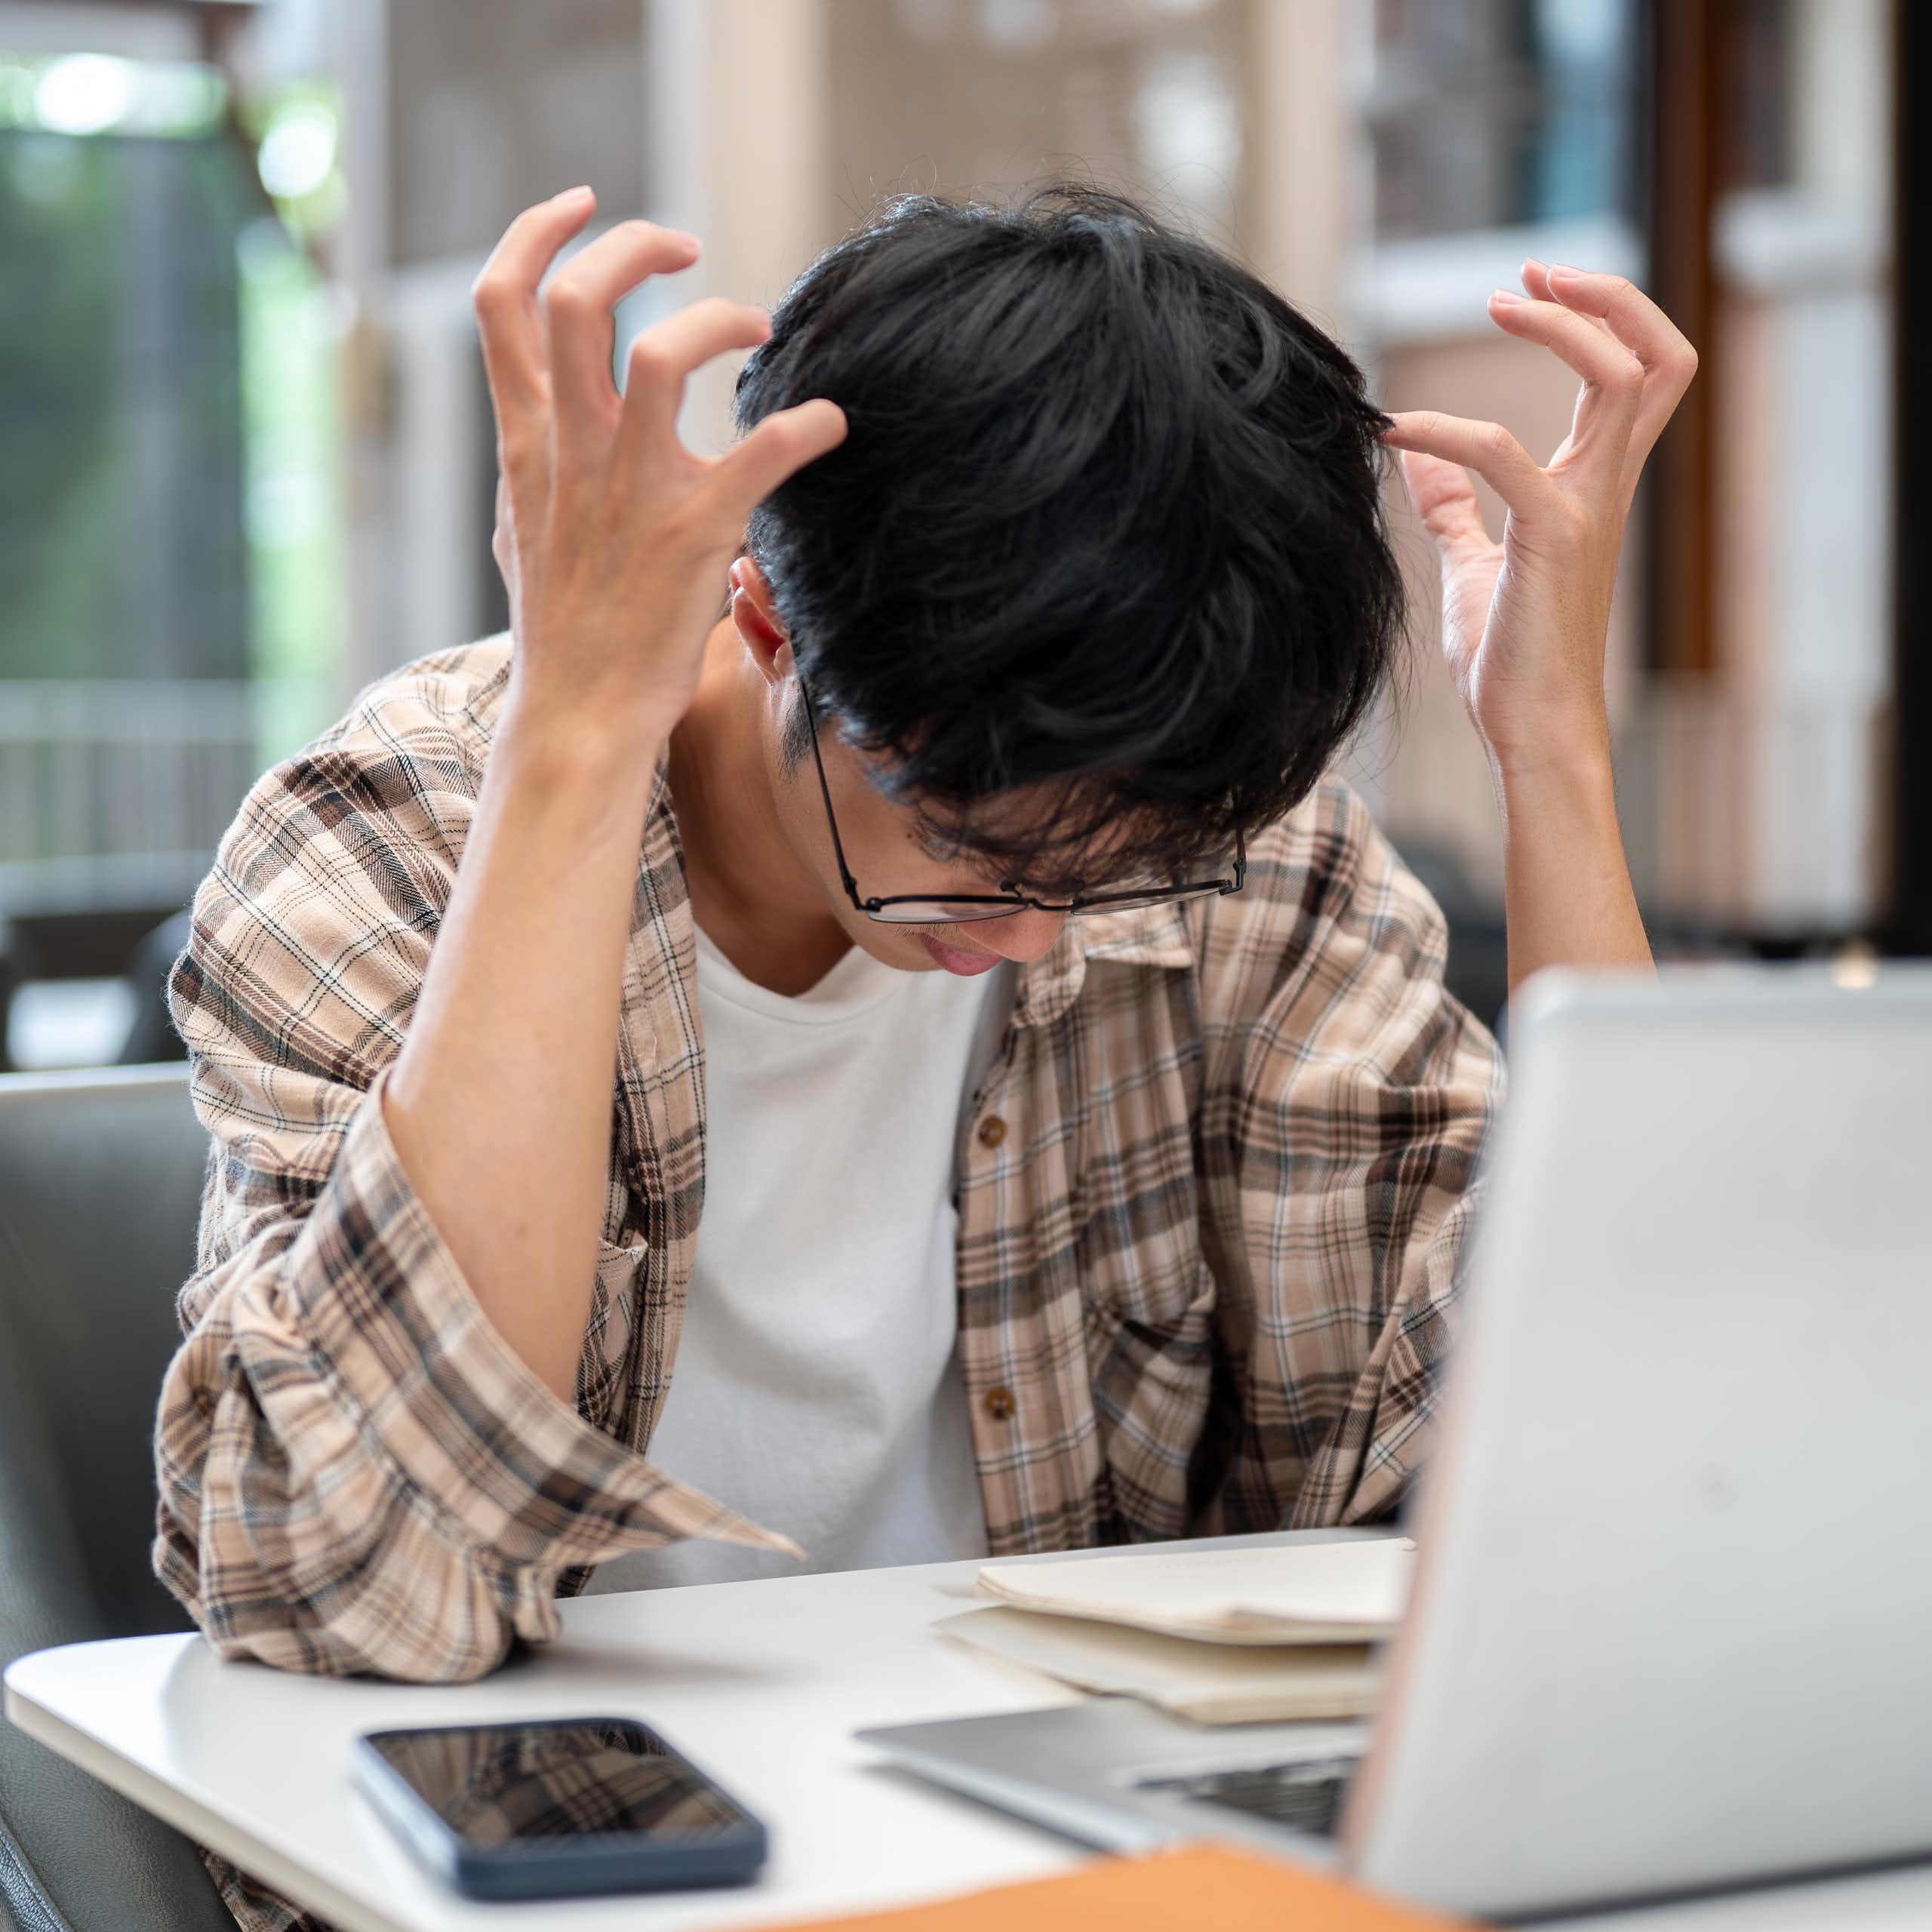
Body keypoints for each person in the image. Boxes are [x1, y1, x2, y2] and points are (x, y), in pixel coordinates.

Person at [156, 182, 1688, 1928]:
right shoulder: (395, 843)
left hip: (1066, 1866)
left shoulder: (1223, 858)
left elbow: (1594, 1495)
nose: (1039, 928)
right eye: (970, 844)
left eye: (1115, 868)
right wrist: (572, 738)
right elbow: (370, 1579)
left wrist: (1550, 753)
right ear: (759, 623)